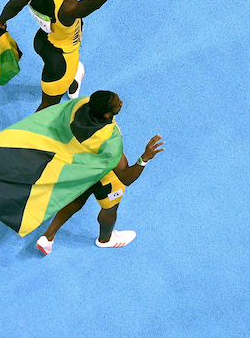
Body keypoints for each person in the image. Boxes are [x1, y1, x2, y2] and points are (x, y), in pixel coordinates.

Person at [0, 0, 133, 110]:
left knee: (63, 72)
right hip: (62, 62)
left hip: (41, 41)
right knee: (48, 106)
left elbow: (15, 4)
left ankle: (72, 81)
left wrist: (0, 22)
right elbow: (94, 2)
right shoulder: (67, 8)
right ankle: (70, 80)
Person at [36, 90, 164, 254]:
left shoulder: (80, 105)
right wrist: (145, 158)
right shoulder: (109, 142)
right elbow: (126, 177)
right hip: (104, 177)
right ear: (106, 115)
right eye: (118, 104)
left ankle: (48, 237)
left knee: (78, 198)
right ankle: (105, 239)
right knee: (110, 209)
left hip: (80, 167)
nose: (122, 103)